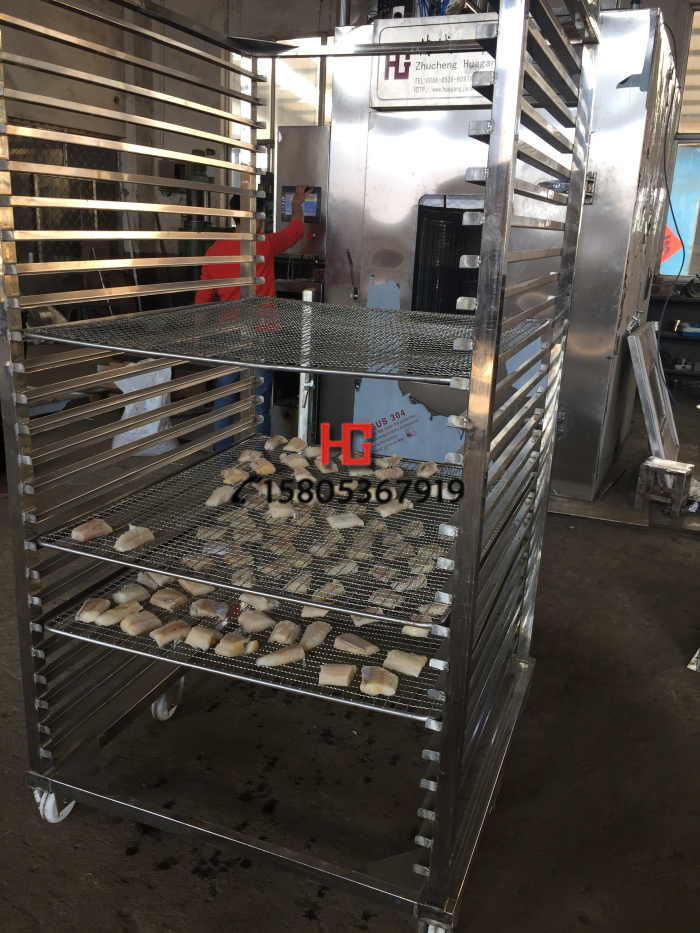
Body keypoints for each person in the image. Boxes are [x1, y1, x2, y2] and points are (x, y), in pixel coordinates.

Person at [195, 184, 311, 447]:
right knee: (259, 400)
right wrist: (296, 204)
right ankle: (259, 456)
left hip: (228, 332)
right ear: (256, 218)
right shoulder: (264, 244)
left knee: (225, 398)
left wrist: (199, 334)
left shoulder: (214, 251)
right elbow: (296, 231)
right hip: (263, 331)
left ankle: (222, 457)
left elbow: (203, 298)